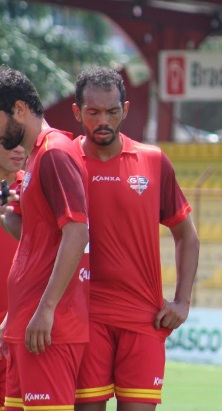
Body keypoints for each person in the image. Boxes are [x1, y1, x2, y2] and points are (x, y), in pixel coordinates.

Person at [71, 67, 199, 411]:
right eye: (93, 112)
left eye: (112, 111)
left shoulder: (153, 160)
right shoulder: (63, 162)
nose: (103, 120)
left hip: (144, 319)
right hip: (85, 318)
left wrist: (182, 301)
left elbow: (187, 236)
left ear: (125, 110)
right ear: (77, 112)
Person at [0, 66, 90, 411]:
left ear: (19, 109)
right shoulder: (37, 156)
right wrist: (16, 316)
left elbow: (77, 231)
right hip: (28, 323)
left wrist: (45, 309)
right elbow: (35, 238)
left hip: (48, 328)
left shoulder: (55, 152)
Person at [0, 144, 25, 411]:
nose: (18, 149)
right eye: (8, 142)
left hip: (19, 331)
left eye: (22, 142)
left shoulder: (34, 189)